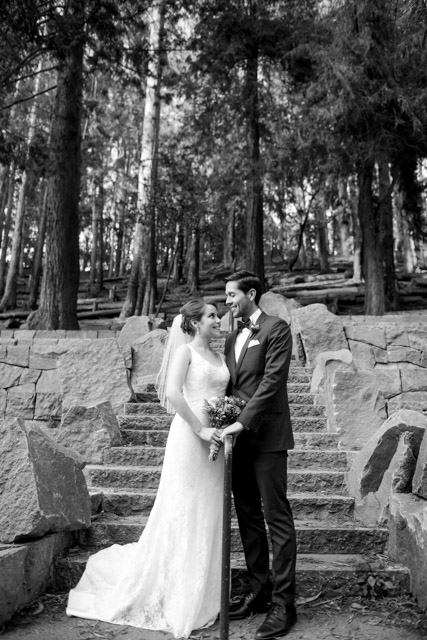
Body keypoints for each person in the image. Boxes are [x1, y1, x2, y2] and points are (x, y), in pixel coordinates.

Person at [66, 300, 230, 639]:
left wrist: (224, 426)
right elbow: (172, 392)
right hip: (189, 437)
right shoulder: (187, 353)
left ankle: (203, 593)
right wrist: (200, 429)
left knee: (209, 511)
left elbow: (221, 396)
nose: (218, 319)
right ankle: (175, 594)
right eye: (211, 315)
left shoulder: (222, 358)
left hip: (216, 440)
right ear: (195, 324)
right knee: (183, 508)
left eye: (217, 314)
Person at [216, 270, 297, 639]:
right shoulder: (232, 335)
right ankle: (259, 590)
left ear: (250, 294)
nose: (228, 302)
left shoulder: (277, 329)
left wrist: (243, 422)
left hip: (267, 438)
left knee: (275, 517)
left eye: (232, 295)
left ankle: (284, 603)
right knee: (248, 517)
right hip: (239, 441)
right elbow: (231, 383)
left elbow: (272, 381)